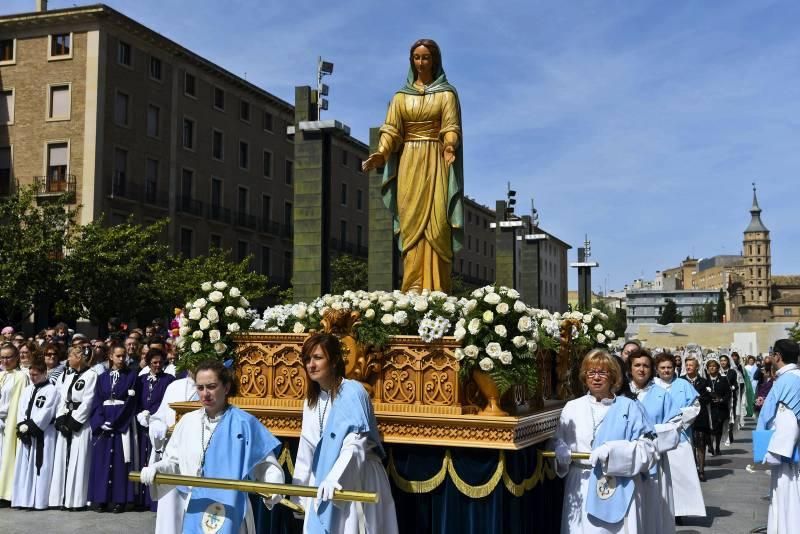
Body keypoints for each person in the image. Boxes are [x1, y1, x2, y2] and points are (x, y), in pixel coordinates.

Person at [362, 38, 463, 293]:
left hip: (436, 160)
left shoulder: (446, 94)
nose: (421, 62)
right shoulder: (399, 98)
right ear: (412, 60)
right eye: (417, 57)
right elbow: (391, 130)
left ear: (434, 60)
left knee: (438, 222)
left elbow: (451, 126)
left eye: (426, 57)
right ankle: (413, 288)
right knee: (410, 225)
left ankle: (438, 290)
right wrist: (382, 153)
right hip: (409, 162)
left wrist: (450, 145)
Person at [140, 359, 284, 534]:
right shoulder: (188, 421)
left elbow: (265, 465)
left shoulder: (245, 423)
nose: (205, 394)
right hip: (195, 508)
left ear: (226, 387)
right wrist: (156, 469)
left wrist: (274, 483)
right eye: (200, 388)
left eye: (211, 386)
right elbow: (173, 463)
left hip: (232, 509)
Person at [292, 333, 399, 534]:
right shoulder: (311, 402)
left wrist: (335, 479)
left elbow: (355, 444)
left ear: (333, 361)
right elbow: (306, 451)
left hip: (354, 478)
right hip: (322, 483)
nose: (311, 365)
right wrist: (299, 496)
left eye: (317, 358)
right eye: (307, 359)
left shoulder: (352, 392)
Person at [552, 348, 658, 533]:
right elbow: (556, 440)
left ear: (613, 377)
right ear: (584, 377)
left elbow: (649, 449)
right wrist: (559, 449)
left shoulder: (630, 407)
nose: (596, 377)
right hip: (581, 484)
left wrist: (613, 452)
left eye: (602, 372)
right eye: (591, 372)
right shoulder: (572, 407)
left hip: (618, 485)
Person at [620, 349, 680, 534]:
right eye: (637, 365)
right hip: (627, 461)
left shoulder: (662, 395)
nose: (641, 369)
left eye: (646, 365)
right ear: (629, 368)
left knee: (653, 509)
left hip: (654, 462)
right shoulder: (620, 394)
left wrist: (649, 435)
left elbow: (674, 426)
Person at [653, 353, 706, 519]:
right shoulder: (651, 386)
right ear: (657, 369)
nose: (666, 370)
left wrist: (676, 421)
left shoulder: (683, 384)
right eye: (662, 367)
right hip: (656, 437)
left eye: (669, 367)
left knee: (680, 477)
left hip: (679, 437)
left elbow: (695, 407)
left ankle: (679, 512)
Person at [146, 365, 198, 534]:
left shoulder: (211, 389)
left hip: (197, 456)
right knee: (170, 513)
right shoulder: (174, 386)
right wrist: (157, 425)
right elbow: (160, 415)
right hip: (173, 453)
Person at [755, 339, 800, 533]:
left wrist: (773, 452)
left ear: (777, 356)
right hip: (788, 452)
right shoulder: (792, 377)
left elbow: (788, 420)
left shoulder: (789, 380)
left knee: (788, 498)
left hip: (786, 456)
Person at [87, 345, 139, 513]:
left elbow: (131, 403)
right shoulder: (102, 377)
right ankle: (101, 499)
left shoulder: (131, 376)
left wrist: (116, 422)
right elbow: (97, 400)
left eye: (123, 356)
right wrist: (100, 421)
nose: (121, 359)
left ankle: (120, 500)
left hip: (120, 423)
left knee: (120, 462)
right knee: (102, 461)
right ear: (110, 356)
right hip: (104, 422)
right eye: (118, 356)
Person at [48, 345, 99, 510]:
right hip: (66, 418)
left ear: (78, 358)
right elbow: (63, 398)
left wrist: (73, 423)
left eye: (70, 357)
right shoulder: (69, 376)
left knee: (79, 459)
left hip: (80, 424)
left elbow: (88, 401)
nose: (68, 360)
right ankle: (61, 499)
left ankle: (77, 500)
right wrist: (61, 419)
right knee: (63, 459)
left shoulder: (91, 375)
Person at [11, 358, 60, 510]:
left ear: (45, 373)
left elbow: (47, 412)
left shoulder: (52, 391)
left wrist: (31, 427)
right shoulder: (28, 390)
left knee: (41, 467)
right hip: (27, 434)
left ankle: (39, 501)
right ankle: (23, 499)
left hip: (43, 434)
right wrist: (22, 427)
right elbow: (21, 410)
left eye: (36, 375)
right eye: (31, 374)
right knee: (24, 466)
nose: (32, 378)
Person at [134, 348, 174, 511]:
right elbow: (136, 400)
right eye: (154, 362)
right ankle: (140, 499)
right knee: (142, 459)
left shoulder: (169, 379)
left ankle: (154, 500)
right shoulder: (142, 379)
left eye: (160, 362)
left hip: (158, 426)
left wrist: (155, 417)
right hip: (142, 424)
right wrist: (140, 414)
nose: (158, 365)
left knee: (155, 459)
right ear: (149, 363)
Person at [0, 343, 31, 506]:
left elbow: (21, 402)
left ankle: (7, 494)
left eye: (8, 357)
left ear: (17, 357)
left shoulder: (21, 376)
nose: (5, 361)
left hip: (9, 422)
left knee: (7, 458)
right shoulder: (1, 375)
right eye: (2, 357)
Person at [682, 353, 712, 481]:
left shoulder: (704, 382)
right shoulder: (681, 381)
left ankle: (701, 469)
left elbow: (707, 398)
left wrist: (697, 400)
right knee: (689, 444)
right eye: (687, 365)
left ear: (697, 367)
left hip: (700, 417)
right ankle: (692, 468)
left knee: (700, 444)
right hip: (685, 418)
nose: (688, 367)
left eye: (691, 365)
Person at [705, 355, 730, 456]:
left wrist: (721, 399)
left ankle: (717, 447)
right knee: (709, 429)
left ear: (718, 368)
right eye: (710, 366)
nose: (712, 368)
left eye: (714, 366)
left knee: (718, 429)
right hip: (709, 408)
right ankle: (710, 445)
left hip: (720, 408)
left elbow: (728, 393)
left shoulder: (723, 379)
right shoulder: (705, 380)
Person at [719, 354, 740, 446]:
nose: (723, 362)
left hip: (731, 397)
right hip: (720, 397)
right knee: (722, 417)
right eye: (721, 360)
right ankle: (721, 435)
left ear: (728, 361)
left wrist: (733, 387)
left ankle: (729, 433)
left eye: (724, 360)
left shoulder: (732, 372)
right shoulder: (718, 371)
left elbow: (736, 384)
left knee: (731, 416)